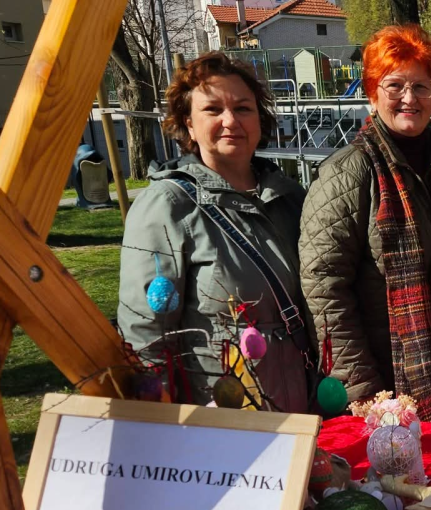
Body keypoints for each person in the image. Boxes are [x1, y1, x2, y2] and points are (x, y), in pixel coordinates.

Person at [118, 52, 311, 413]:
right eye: (212, 110)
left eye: (243, 108)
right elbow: (145, 333)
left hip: (304, 409)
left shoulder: (290, 199)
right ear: (188, 123)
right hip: (222, 418)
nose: (230, 120)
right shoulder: (167, 207)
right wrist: (157, 416)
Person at [299, 25, 431, 419]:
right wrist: (365, 393)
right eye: (395, 85)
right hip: (378, 383)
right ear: (372, 92)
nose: (409, 98)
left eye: (421, 86)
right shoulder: (348, 172)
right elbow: (324, 287)